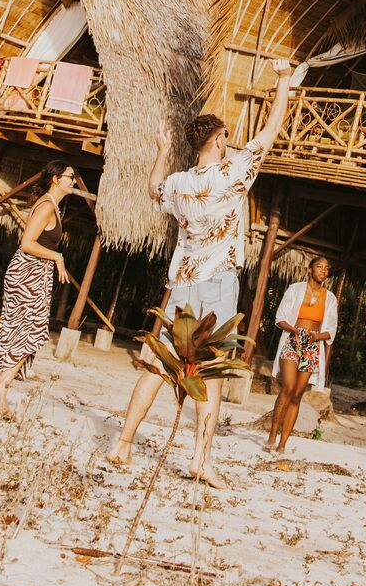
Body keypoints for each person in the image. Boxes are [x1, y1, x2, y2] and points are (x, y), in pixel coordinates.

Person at [107, 59, 302, 486]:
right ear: (216, 140)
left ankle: (122, 443)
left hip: (181, 284)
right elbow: (271, 131)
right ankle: (200, 459)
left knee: (158, 366)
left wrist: (160, 154)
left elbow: (153, 189)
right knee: (209, 372)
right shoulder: (231, 175)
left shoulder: (178, 183)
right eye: (226, 136)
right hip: (216, 283)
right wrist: (284, 81)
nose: (230, 142)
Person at [0, 161, 76, 415]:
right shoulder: (46, 206)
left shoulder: (51, 205)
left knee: (15, 332)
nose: (73, 181)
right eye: (69, 177)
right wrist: (57, 257)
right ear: (56, 179)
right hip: (29, 272)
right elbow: (27, 243)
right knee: (29, 335)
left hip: (34, 273)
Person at [266, 256, 339, 454]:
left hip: (312, 345)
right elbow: (280, 317)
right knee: (288, 388)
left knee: (297, 395)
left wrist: (316, 336)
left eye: (327, 268)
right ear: (309, 269)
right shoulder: (295, 289)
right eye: (319, 267)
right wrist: (295, 331)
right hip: (292, 339)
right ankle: (272, 436)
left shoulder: (330, 298)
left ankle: (283, 444)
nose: (323, 271)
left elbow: (331, 330)